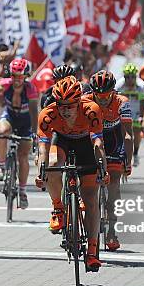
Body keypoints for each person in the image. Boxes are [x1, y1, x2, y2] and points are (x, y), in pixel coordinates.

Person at [35, 77, 110, 271]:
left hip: (86, 144)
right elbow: (42, 148)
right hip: (62, 142)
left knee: (91, 198)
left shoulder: (91, 110)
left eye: (70, 106)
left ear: (79, 102)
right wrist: (41, 172)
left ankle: (92, 250)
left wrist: (103, 169)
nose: (65, 110)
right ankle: (58, 208)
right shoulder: (48, 114)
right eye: (61, 105)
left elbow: (98, 144)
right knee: (52, 165)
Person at [84, 70, 133, 251]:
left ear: (114, 91)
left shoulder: (123, 103)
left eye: (107, 95)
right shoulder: (86, 99)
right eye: (99, 95)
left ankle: (112, 231)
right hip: (92, 140)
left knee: (113, 186)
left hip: (114, 141)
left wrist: (127, 161)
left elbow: (128, 135)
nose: (103, 99)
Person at [0, 58, 38, 209]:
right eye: (14, 76)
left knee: (23, 156)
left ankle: (22, 191)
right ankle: (1, 166)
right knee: (1, 132)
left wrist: (34, 133)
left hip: (25, 122)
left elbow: (34, 112)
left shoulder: (30, 89)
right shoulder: (6, 83)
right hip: (10, 116)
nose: (17, 79)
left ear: (26, 76)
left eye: (20, 76)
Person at [116, 63, 144, 167]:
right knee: (121, 132)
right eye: (127, 77)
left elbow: (143, 102)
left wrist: (142, 116)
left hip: (135, 110)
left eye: (132, 77)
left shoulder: (141, 85)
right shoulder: (119, 85)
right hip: (123, 110)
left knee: (136, 132)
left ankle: (136, 153)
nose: (130, 79)